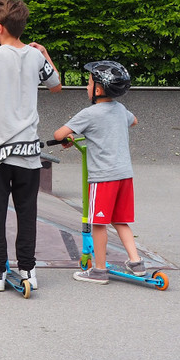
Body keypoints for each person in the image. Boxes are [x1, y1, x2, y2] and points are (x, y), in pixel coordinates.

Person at [0, 0, 61, 292]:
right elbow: (56, 85)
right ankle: (28, 270)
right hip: (28, 152)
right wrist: (45, 53)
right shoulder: (35, 57)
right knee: (27, 213)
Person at [53, 61, 145, 284]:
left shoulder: (89, 114)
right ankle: (136, 262)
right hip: (124, 175)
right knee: (120, 220)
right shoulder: (120, 109)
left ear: (98, 89)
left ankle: (99, 270)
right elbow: (134, 121)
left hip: (103, 178)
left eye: (89, 83)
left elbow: (59, 135)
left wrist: (70, 136)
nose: (87, 87)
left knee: (98, 223)